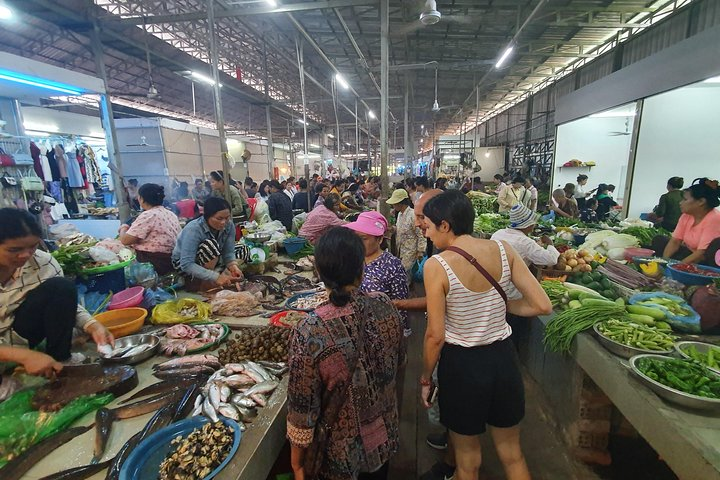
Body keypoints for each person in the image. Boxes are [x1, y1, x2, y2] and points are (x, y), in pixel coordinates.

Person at [420, 191, 552, 480]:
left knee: (468, 462)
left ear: (445, 225)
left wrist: (426, 378)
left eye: (428, 226)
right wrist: (502, 304)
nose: (427, 234)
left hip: (463, 367)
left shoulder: (437, 265)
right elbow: (543, 304)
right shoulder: (504, 249)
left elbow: (435, 336)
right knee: (512, 454)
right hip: (504, 361)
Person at [287, 227, 405, 480]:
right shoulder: (384, 305)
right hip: (383, 436)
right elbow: (400, 360)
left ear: (319, 272)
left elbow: (302, 408)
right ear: (362, 269)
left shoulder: (310, 329)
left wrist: (297, 463)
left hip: (340, 453)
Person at [0, 209, 114, 376]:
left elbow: (63, 301)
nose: (25, 255)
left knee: (61, 287)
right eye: (14, 249)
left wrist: (93, 326)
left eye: (32, 246)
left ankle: (60, 360)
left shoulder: (42, 262)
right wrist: (24, 357)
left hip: (19, 334)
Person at [344, 211, 410, 333]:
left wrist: (401, 334)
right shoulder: (353, 258)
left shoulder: (392, 265)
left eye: (363, 238)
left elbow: (401, 304)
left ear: (379, 239)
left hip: (382, 331)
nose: (358, 243)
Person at [171, 197, 244, 292]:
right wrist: (215, 277)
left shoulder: (229, 225)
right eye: (219, 218)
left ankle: (214, 275)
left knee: (243, 248)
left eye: (227, 218)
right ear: (207, 216)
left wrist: (233, 266)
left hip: (210, 260)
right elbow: (187, 264)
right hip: (183, 264)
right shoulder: (193, 229)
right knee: (210, 245)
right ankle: (200, 282)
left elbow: (228, 252)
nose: (223, 222)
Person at [652, 177, 720, 266]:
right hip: (690, 253)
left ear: (701, 202)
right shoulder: (687, 215)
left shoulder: (714, 218)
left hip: (705, 260)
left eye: (685, 199)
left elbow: (701, 253)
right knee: (659, 240)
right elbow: (675, 241)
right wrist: (665, 262)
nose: (680, 203)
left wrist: (677, 267)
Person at [119, 184, 181, 275]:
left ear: (142, 199)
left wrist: (123, 227)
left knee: (116, 248)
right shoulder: (170, 214)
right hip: (172, 259)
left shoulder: (149, 215)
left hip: (155, 262)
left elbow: (125, 240)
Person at [491, 204, 560, 268]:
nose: (534, 225)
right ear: (528, 225)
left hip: (493, 273)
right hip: (511, 279)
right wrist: (550, 243)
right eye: (533, 223)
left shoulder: (498, 233)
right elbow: (552, 260)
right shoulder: (525, 242)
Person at [386, 189, 426, 279]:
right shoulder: (400, 214)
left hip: (411, 251)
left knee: (406, 275)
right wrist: (392, 229)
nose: (393, 205)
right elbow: (400, 228)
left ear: (400, 203)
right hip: (401, 250)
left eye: (394, 203)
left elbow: (420, 234)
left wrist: (420, 251)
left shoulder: (412, 215)